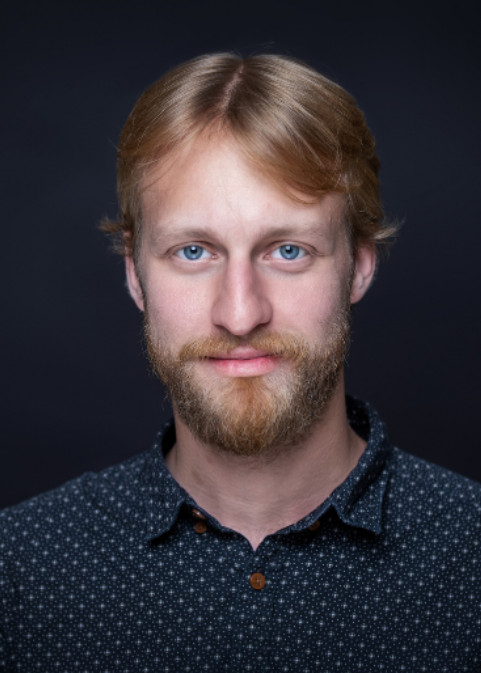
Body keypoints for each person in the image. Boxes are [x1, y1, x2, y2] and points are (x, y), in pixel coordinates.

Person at [1, 53, 480, 672]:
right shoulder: (21, 570)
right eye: (193, 251)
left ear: (360, 265)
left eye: (288, 250)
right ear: (135, 275)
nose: (240, 314)